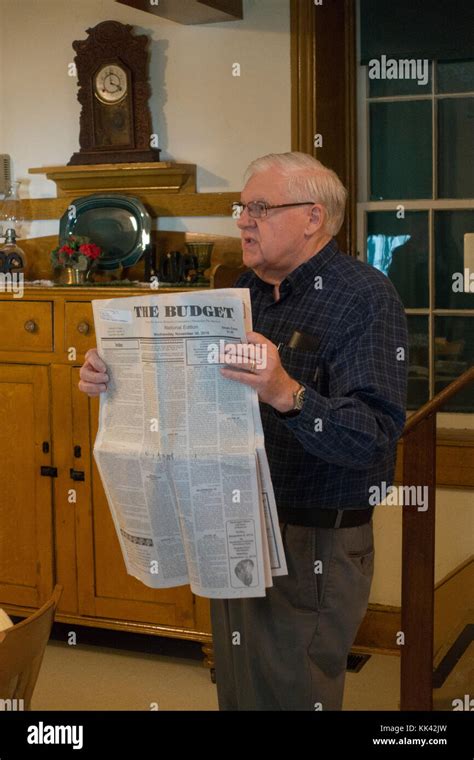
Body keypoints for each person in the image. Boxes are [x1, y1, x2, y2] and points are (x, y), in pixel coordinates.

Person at [79, 152, 408, 711]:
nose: (242, 220)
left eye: (259, 207)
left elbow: (373, 433)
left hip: (311, 543)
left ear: (313, 217)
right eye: (241, 207)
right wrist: (117, 376)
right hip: (233, 524)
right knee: (239, 696)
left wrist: (286, 392)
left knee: (290, 695)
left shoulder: (365, 297)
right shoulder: (240, 294)